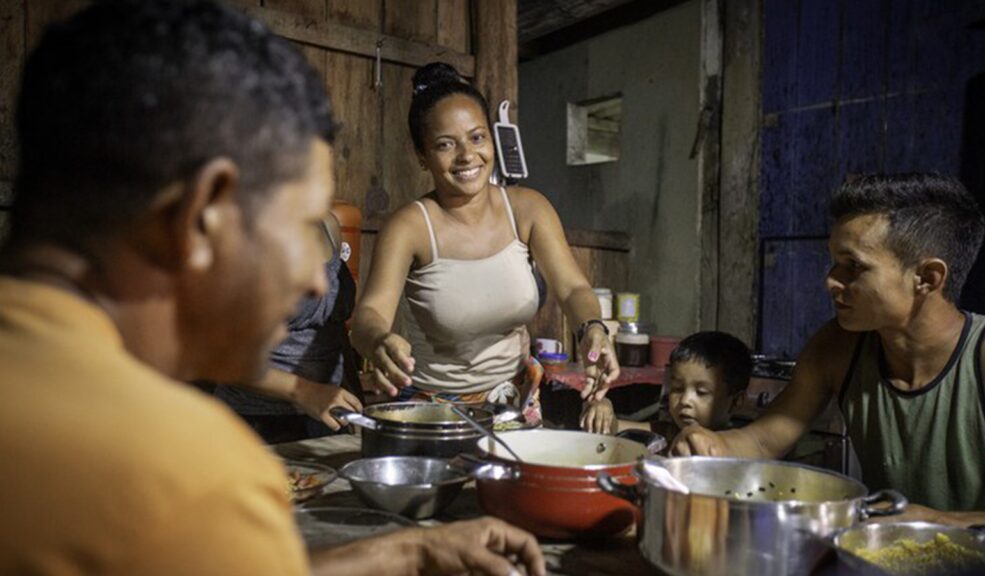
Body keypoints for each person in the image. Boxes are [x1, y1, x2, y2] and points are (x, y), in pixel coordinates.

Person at [0, 2, 545, 575]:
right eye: (296, 224)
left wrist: (404, 551)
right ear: (204, 213)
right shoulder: (187, 473)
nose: (316, 279)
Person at [674, 173, 985, 529]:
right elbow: (764, 442)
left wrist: (940, 522)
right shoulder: (838, 346)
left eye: (853, 267)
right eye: (834, 263)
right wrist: (710, 445)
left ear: (927, 278)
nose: (830, 280)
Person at [350, 62, 619, 417]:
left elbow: (572, 289)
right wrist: (379, 341)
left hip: (517, 405)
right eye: (446, 144)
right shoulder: (410, 226)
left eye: (477, 137)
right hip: (433, 413)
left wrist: (592, 329)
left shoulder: (528, 209)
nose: (467, 156)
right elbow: (369, 316)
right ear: (421, 156)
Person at [210, 213, 364, 443]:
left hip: (326, 418)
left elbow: (334, 330)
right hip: (255, 423)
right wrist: (305, 391)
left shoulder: (326, 222)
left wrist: (358, 401)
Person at [580, 331, 752, 437]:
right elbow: (612, 428)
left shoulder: (738, 446)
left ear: (736, 401)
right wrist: (603, 405)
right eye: (677, 388)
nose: (685, 400)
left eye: (701, 392)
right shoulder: (667, 433)